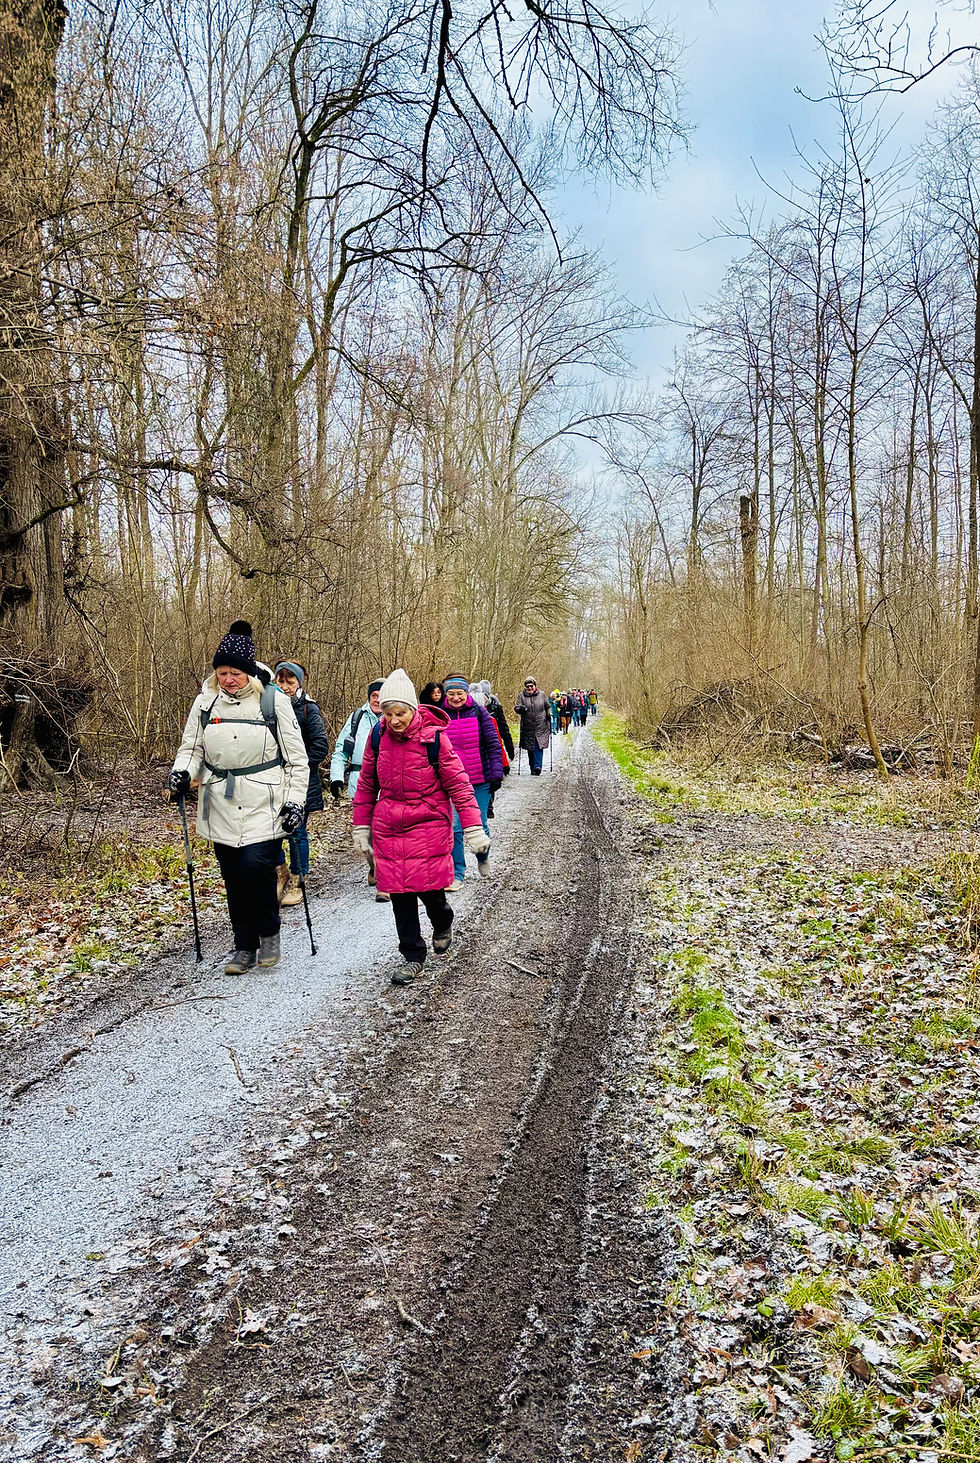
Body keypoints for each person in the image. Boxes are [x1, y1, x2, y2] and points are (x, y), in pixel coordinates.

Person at [167, 621, 308, 974]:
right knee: (232, 874)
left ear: (249, 673)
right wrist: (183, 771)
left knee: (257, 868)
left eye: (235, 672)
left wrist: (295, 801)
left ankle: (270, 933)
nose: (228, 679)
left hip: (265, 799)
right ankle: (244, 945)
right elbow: (192, 747)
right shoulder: (205, 703)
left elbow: (296, 759)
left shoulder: (272, 702)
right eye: (222, 672)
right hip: (219, 801)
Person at [351, 669, 489, 986]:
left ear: (413, 710)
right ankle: (413, 956)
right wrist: (361, 825)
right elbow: (366, 785)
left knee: (429, 892)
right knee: (399, 896)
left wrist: (473, 828)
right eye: (388, 713)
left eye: (400, 712)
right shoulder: (377, 738)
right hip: (389, 824)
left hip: (428, 823)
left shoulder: (435, 739)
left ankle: (443, 922)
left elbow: (459, 786)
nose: (394, 719)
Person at [272, 661, 328, 907]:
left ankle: (298, 879)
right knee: (270, 832)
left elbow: (320, 746)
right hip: (271, 780)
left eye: (290, 682)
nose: (284, 686)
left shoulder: (308, 709)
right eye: (280, 681)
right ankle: (280, 872)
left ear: (299, 684)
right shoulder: (267, 706)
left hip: (300, 780)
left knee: (296, 831)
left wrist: (296, 765)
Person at [442, 672, 503, 889]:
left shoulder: (479, 713)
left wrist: (496, 773)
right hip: (451, 781)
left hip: (479, 779)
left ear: (466, 693)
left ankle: (482, 856)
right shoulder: (440, 715)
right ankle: (457, 874)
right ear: (445, 694)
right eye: (451, 693)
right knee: (454, 827)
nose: (456, 697)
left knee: (479, 825)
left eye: (459, 693)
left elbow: (494, 744)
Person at [329, 678, 387, 900]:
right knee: (368, 835)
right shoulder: (357, 718)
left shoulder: (394, 717)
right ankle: (373, 866)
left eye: (382, 696)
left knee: (384, 832)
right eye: (374, 696)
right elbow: (340, 751)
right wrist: (336, 779)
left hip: (387, 784)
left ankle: (384, 879)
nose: (378, 700)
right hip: (359, 782)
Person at [514, 675, 552, 774]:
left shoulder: (542, 695)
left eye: (531, 686)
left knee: (539, 745)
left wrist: (549, 713)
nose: (530, 688)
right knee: (530, 747)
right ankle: (532, 767)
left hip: (541, 725)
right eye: (528, 686)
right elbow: (516, 708)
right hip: (528, 726)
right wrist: (521, 708)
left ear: (535, 686)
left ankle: (538, 766)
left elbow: (548, 707)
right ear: (525, 687)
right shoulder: (521, 696)